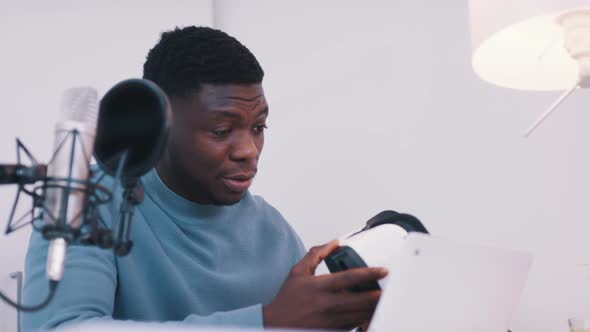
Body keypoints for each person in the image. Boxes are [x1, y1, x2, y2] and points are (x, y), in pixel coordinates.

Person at [22, 26, 387, 331]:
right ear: (158, 126)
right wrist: (266, 321)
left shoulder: (272, 230)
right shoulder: (87, 203)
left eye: (258, 127)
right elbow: (63, 327)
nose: (249, 149)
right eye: (221, 129)